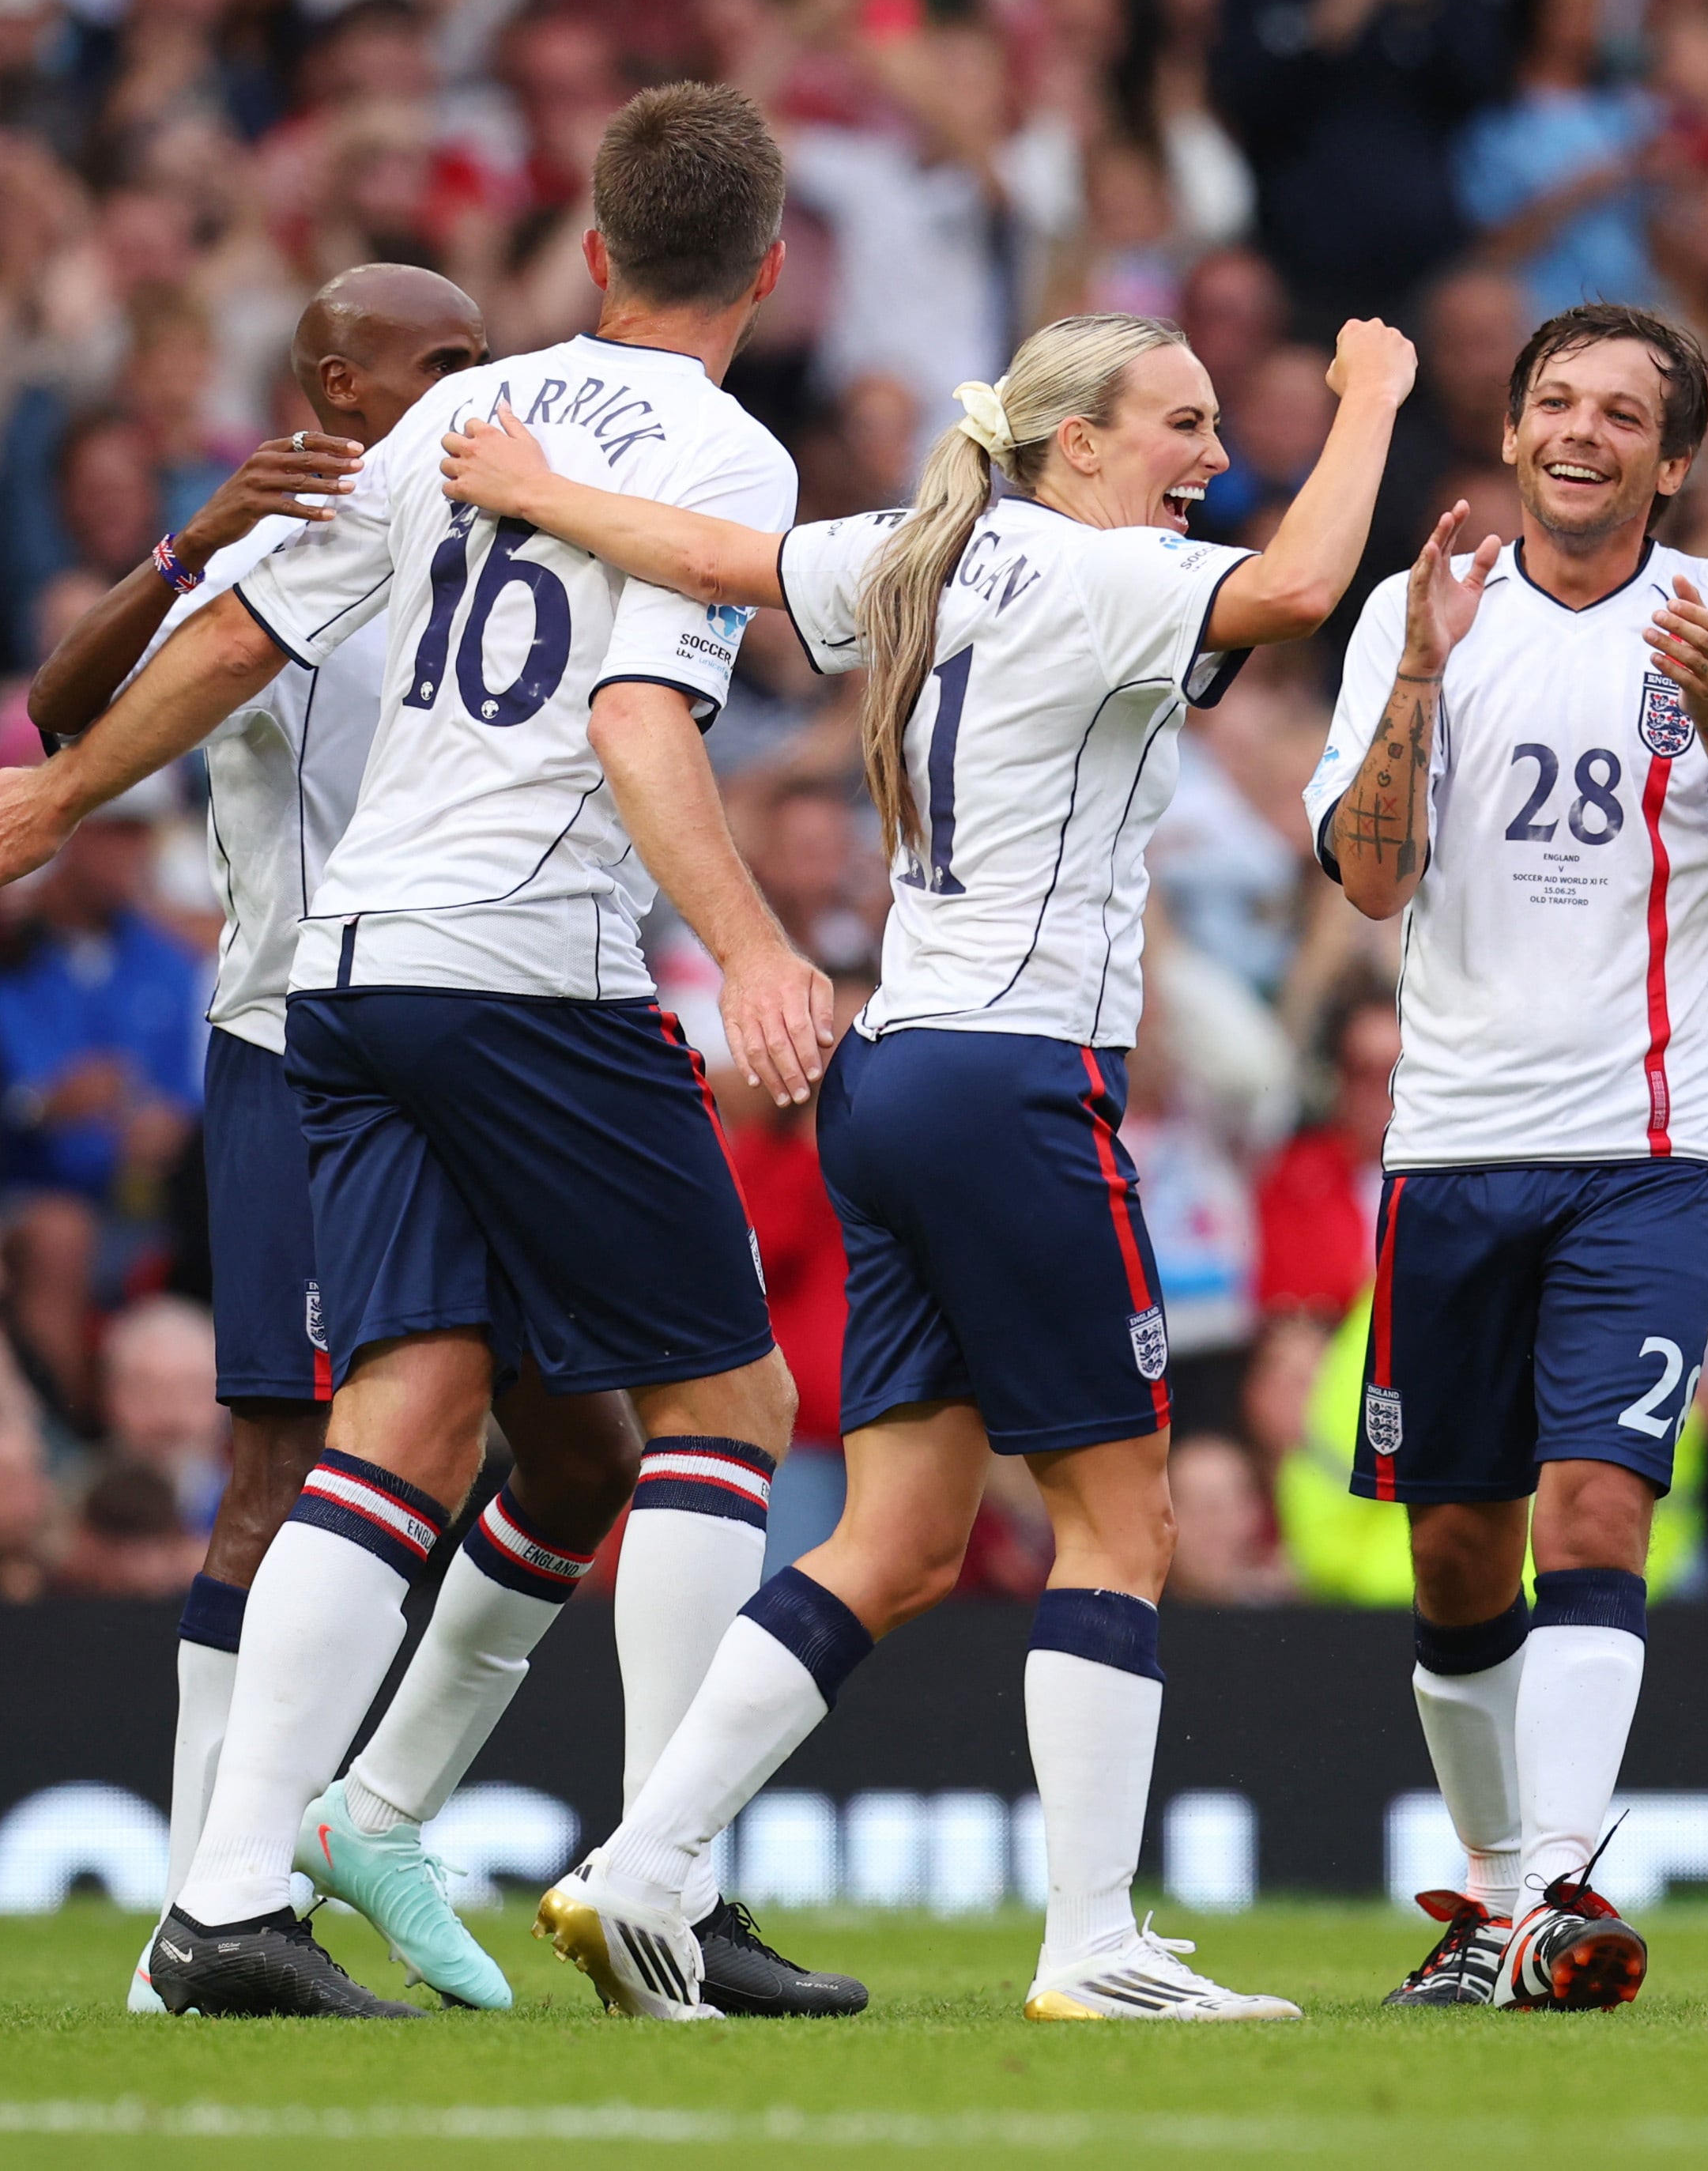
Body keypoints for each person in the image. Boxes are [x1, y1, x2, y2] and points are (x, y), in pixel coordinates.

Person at [0, 86, 835, 2022]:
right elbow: (637, 721)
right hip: (533, 964)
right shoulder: (729, 453)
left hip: (346, 972)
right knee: (731, 1408)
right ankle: (659, 1877)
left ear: (586, 249)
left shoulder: (451, 417)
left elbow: (240, 635)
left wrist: (60, 791)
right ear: (769, 270)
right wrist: (754, 943)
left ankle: (224, 1904)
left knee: (409, 1413)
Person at [433, 305, 1416, 2020]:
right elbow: (1305, 586)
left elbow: (720, 557)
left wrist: (539, 487)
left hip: (893, 1075)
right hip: (1013, 1081)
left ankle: (644, 1856)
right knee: (1125, 1522)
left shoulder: (920, 554)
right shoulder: (1097, 577)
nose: (1211, 458)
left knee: (897, 1534)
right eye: (1177, 425)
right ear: (1075, 440)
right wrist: (1381, 396)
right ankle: (1093, 1943)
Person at [11, 265, 654, 2018]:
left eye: (478, 355)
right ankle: (194, 1918)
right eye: (436, 363)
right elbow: (61, 716)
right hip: (303, 1046)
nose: (471, 382)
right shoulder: (285, 543)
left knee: (585, 1455)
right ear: (334, 384)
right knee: (287, 1466)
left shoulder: (496, 523)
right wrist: (177, 545)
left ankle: (373, 1818)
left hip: (488, 1042)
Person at [1306, 302, 1708, 2013]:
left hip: (1646, 1147)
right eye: (1556, 399)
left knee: (1593, 1506)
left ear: (1671, 461)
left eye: (1623, 412)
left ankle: (1549, 1896)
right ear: (1517, 425)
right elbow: (1370, 879)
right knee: (1457, 1551)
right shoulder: (1428, 613)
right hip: (1455, 1143)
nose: (1581, 430)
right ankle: (1491, 1903)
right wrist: (1412, 667)